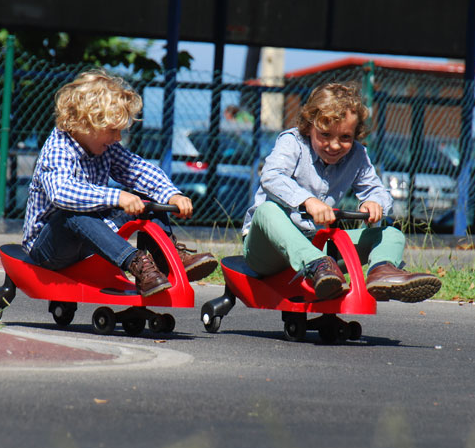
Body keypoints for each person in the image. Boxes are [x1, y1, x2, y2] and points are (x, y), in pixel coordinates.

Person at [22, 69, 218, 296]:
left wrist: (171, 194)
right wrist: (116, 196)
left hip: (90, 237)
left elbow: (137, 169)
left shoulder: (105, 147)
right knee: (72, 213)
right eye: (113, 130)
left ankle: (166, 258)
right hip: (50, 248)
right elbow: (62, 192)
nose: (118, 138)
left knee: (147, 199)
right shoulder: (58, 149)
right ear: (86, 123)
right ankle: (137, 264)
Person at [240, 82, 441, 302]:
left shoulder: (357, 154)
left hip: (315, 244)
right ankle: (316, 265)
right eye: (325, 135)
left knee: (390, 234)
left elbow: (376, 189)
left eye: (345, 137)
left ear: (356, 133)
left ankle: (382, 273)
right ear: (309, 127)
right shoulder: (293, 142)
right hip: (267, 250)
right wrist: (307, 200)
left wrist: (375, 203)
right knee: (267, 210)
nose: (335, 145)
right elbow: (271, 176)